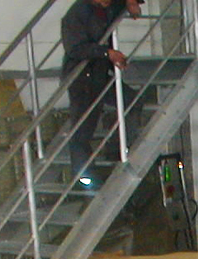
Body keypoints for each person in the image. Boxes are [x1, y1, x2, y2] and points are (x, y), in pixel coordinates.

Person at [61, 0, 143, 187]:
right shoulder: (77, 13)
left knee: (132, 101)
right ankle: (85, 178)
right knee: (83, 129)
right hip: (81, 78)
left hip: (100, 75)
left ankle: (117, 151)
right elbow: (75, 48)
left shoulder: (110, 6)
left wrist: (131, 3)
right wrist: (107, 54)